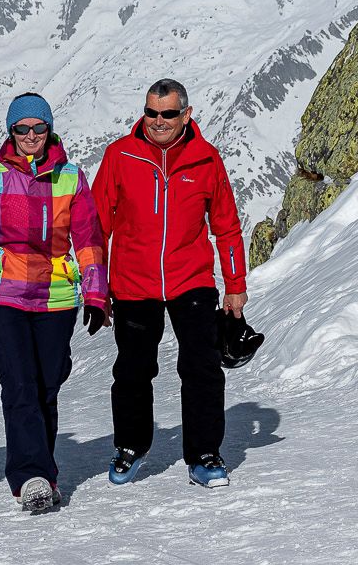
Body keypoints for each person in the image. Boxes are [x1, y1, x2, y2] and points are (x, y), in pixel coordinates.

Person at [90, 78, 248, 489]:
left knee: (202, 367)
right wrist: (96, 287)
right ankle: (130, 446)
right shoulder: (120, 155)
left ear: (187, 115)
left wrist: (235, 285)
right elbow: (96, 227)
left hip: (191, 279)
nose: (158, 121)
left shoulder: (206, 160)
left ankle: (204, 453)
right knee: (132, 370)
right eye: (151, 112)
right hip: (132, 281)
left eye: (168, 114)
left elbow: (227, 228)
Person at [0, 92, 109, 513]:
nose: (30, 135)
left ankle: (43, 473)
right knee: (19, 381)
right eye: (21, 129)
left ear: (49, 130)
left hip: (56, 296)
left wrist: (97, 294)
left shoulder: (70, 177)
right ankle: (31, 475)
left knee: (47, 384)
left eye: (38, 128)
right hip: (3, 293)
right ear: (11, 132)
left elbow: (88, 238)